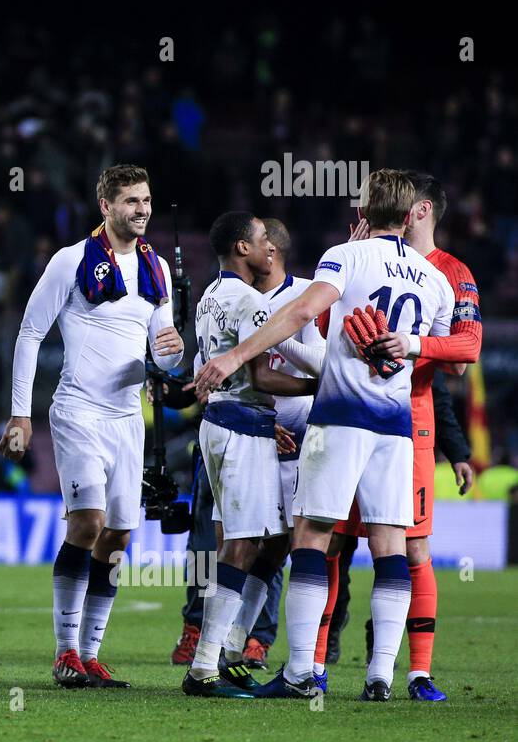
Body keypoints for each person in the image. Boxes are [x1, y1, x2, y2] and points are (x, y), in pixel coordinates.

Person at [194, 169, 456, 701]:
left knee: (312, 538)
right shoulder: (436, 281)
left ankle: (298, 675)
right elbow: (445, 359)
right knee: (390, 544)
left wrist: (237, 355)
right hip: (396, 426)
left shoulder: (344, 255)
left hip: (338, 418)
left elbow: (302, 311)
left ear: (364, 213)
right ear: (411, 217)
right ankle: (381, 676)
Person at [0, 165, 184, 689]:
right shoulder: (71, 261)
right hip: (79, 411)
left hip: (129, 418)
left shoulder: (157, 270)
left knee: (120, 535)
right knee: (88, 523)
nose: (142, 209)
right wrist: (20, 413)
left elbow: (162, 347)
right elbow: (31, 332)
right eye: (131, 201)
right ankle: (63, 653)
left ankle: (90, 652)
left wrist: (173, 356)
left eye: (147, 200)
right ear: (106, 205)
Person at [315, 172, 482, 701]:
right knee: (333, 539)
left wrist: (409, 344)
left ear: (421, 208)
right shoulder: (358, 255)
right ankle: (314, 664)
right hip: (350, 411)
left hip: (412, 418)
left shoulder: (452, 273)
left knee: (413, 546)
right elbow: (323, 328)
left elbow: (467, 347)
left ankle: (416, 672)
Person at [181, 212, 315, 699]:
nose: (269, 249)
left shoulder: (210, 296)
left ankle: (231, 648)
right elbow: (262, 378)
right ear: (243, 248)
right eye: (262, 241)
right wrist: (326, 384)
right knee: (241, 545)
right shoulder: (252, 302)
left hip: (224, 426)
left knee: (273, 541)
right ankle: (204, 668)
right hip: (242, 427)